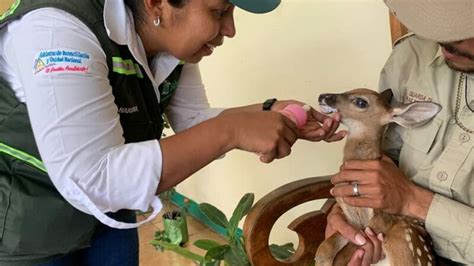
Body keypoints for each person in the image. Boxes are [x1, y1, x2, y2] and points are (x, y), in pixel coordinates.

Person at [0, 0, 346, 265]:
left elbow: (194, 122)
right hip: (26, 221)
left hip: (108, 212)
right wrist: (233, 129)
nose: (230, 29)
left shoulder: (168, 47)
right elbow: (95, 178)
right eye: (219, 10)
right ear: (156, 4)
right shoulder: (57, 32)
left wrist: (272, 113)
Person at [326, 0, 473, 265]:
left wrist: (412, 201)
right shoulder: (412, 56)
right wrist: (349, 211)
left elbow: (400, 193)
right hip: (392, 239)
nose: (443, 37)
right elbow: (386, 160)